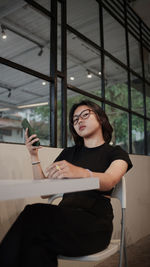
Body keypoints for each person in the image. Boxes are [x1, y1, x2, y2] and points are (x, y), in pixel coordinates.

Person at [0, 100, 132, 267]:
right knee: (36, 246)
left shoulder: (115, 152)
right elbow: (44, 191)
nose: (79, 121)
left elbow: (110, 180)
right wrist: (34, 157)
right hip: (62, 222)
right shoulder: (69, 153)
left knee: (33, 215)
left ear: (100, 118)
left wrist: (80, 172)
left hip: (94, 226)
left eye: (85, 115)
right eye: (75, 120)